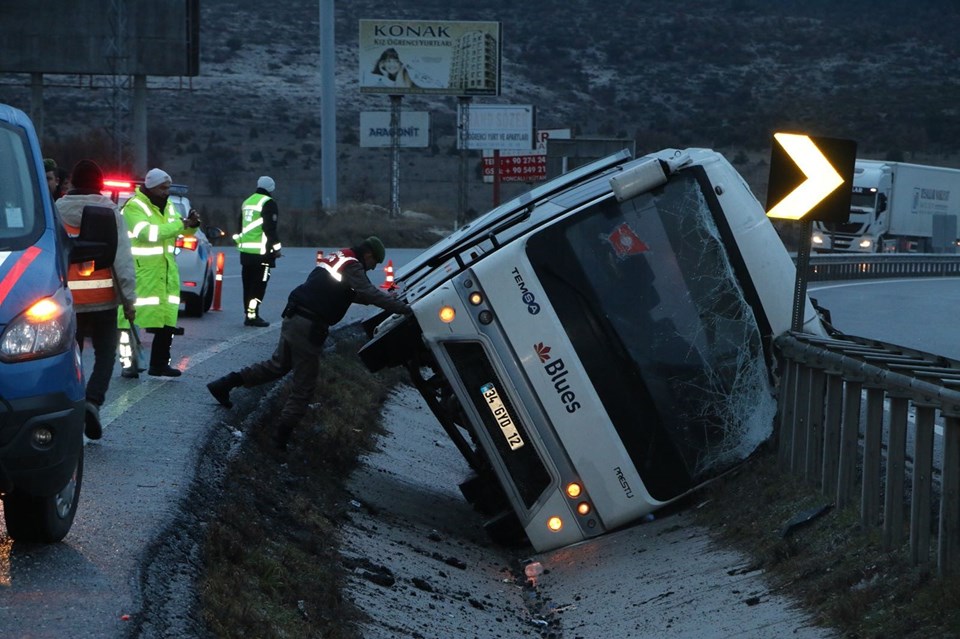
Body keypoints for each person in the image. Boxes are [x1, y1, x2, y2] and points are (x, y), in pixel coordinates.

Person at [207, 237, 411, 451]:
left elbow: (349, 292)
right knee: (304, 386)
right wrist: (402, 308)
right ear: (369, 255)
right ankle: (279, 442)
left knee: (277, 366)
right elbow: (368, 291)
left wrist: (385, 299)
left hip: (295, 316)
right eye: (374, 263)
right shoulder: (353, 264)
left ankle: (224, 384)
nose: (373, 268)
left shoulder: (340, 256)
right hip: (310, 325)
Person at [55, 159, 137, 440]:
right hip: (103, 301)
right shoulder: (110, 211)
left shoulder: (56, 210)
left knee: (69, 357)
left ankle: (72, 405)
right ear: (100, 184)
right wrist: (129, 301)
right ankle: (93, 400)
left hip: (66, 302)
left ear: (74, 182)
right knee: (105, 355)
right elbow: (122, 261)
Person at [117, 168, 200, 377]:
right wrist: (180, 225)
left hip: (165, 271)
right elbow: (148, 234)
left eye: (168, 187)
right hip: (139, 273)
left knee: (167, 318)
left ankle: (159, 364)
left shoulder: (169, 206)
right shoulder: (133, 207)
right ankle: (129, 365)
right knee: (128, 321)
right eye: (163, 188)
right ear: (151, 187)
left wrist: (191, 226)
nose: (166, 191)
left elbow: (176, 230)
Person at [236, 175, 282, 327]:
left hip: (246, 253)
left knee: (247, 285)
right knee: (259, 286)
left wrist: (240, 244)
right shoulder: (268, 203)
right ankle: (252, 316)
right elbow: (270, 228)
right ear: (271, 188)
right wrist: (276, 248)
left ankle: (248, 314)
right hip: (262, 254)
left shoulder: (247, 202)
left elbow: (239, 226)